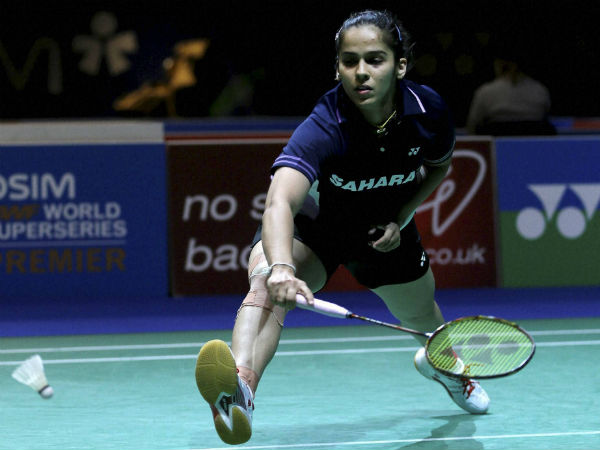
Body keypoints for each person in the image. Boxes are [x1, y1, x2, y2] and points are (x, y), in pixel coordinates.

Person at [195, 10, 490, 445]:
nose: (361, 72)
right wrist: (282, 268)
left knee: (422, 317)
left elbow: (438, 166)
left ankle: (446, 368)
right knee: (265, 283)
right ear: (338, 68)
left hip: (380, 231)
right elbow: (279, 201)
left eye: (375, 60)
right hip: (319, 227)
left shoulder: (428, 111)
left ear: (400, 65)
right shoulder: (325, 124)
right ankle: (239, 388)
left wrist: (401, 215)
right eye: (350, 61)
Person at [466, 43, 555, 135]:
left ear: (500, 64)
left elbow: (472, 127)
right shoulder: (541, 90)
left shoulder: (485, 92)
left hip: (499, 144)